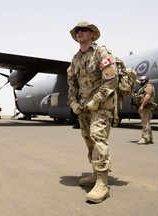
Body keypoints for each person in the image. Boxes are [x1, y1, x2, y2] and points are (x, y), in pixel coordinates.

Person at [67, 21, 118, 203]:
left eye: (84, 30)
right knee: (88, 139)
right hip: (83, 107)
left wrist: (96, 100)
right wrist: (73, 102)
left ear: (92, 34)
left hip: (101, 105)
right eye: (77, 31)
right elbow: (72, 83)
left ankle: (102, 183)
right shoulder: (75, 59)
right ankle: (95, 173)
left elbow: (112, 79)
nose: (80, 33)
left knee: (98, 137)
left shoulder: (101, 52)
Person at [133, 76, 156, 144]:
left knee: (145, 124)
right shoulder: (144, 87)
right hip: (145, 107)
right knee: (147, 123)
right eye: (140, 80)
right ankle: (150, 138)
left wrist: (142, 106)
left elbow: (147, 96)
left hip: (146, 108)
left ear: (146, 80)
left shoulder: (148, 86)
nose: (141, 81)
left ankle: (144, 139)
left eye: (142, 80)